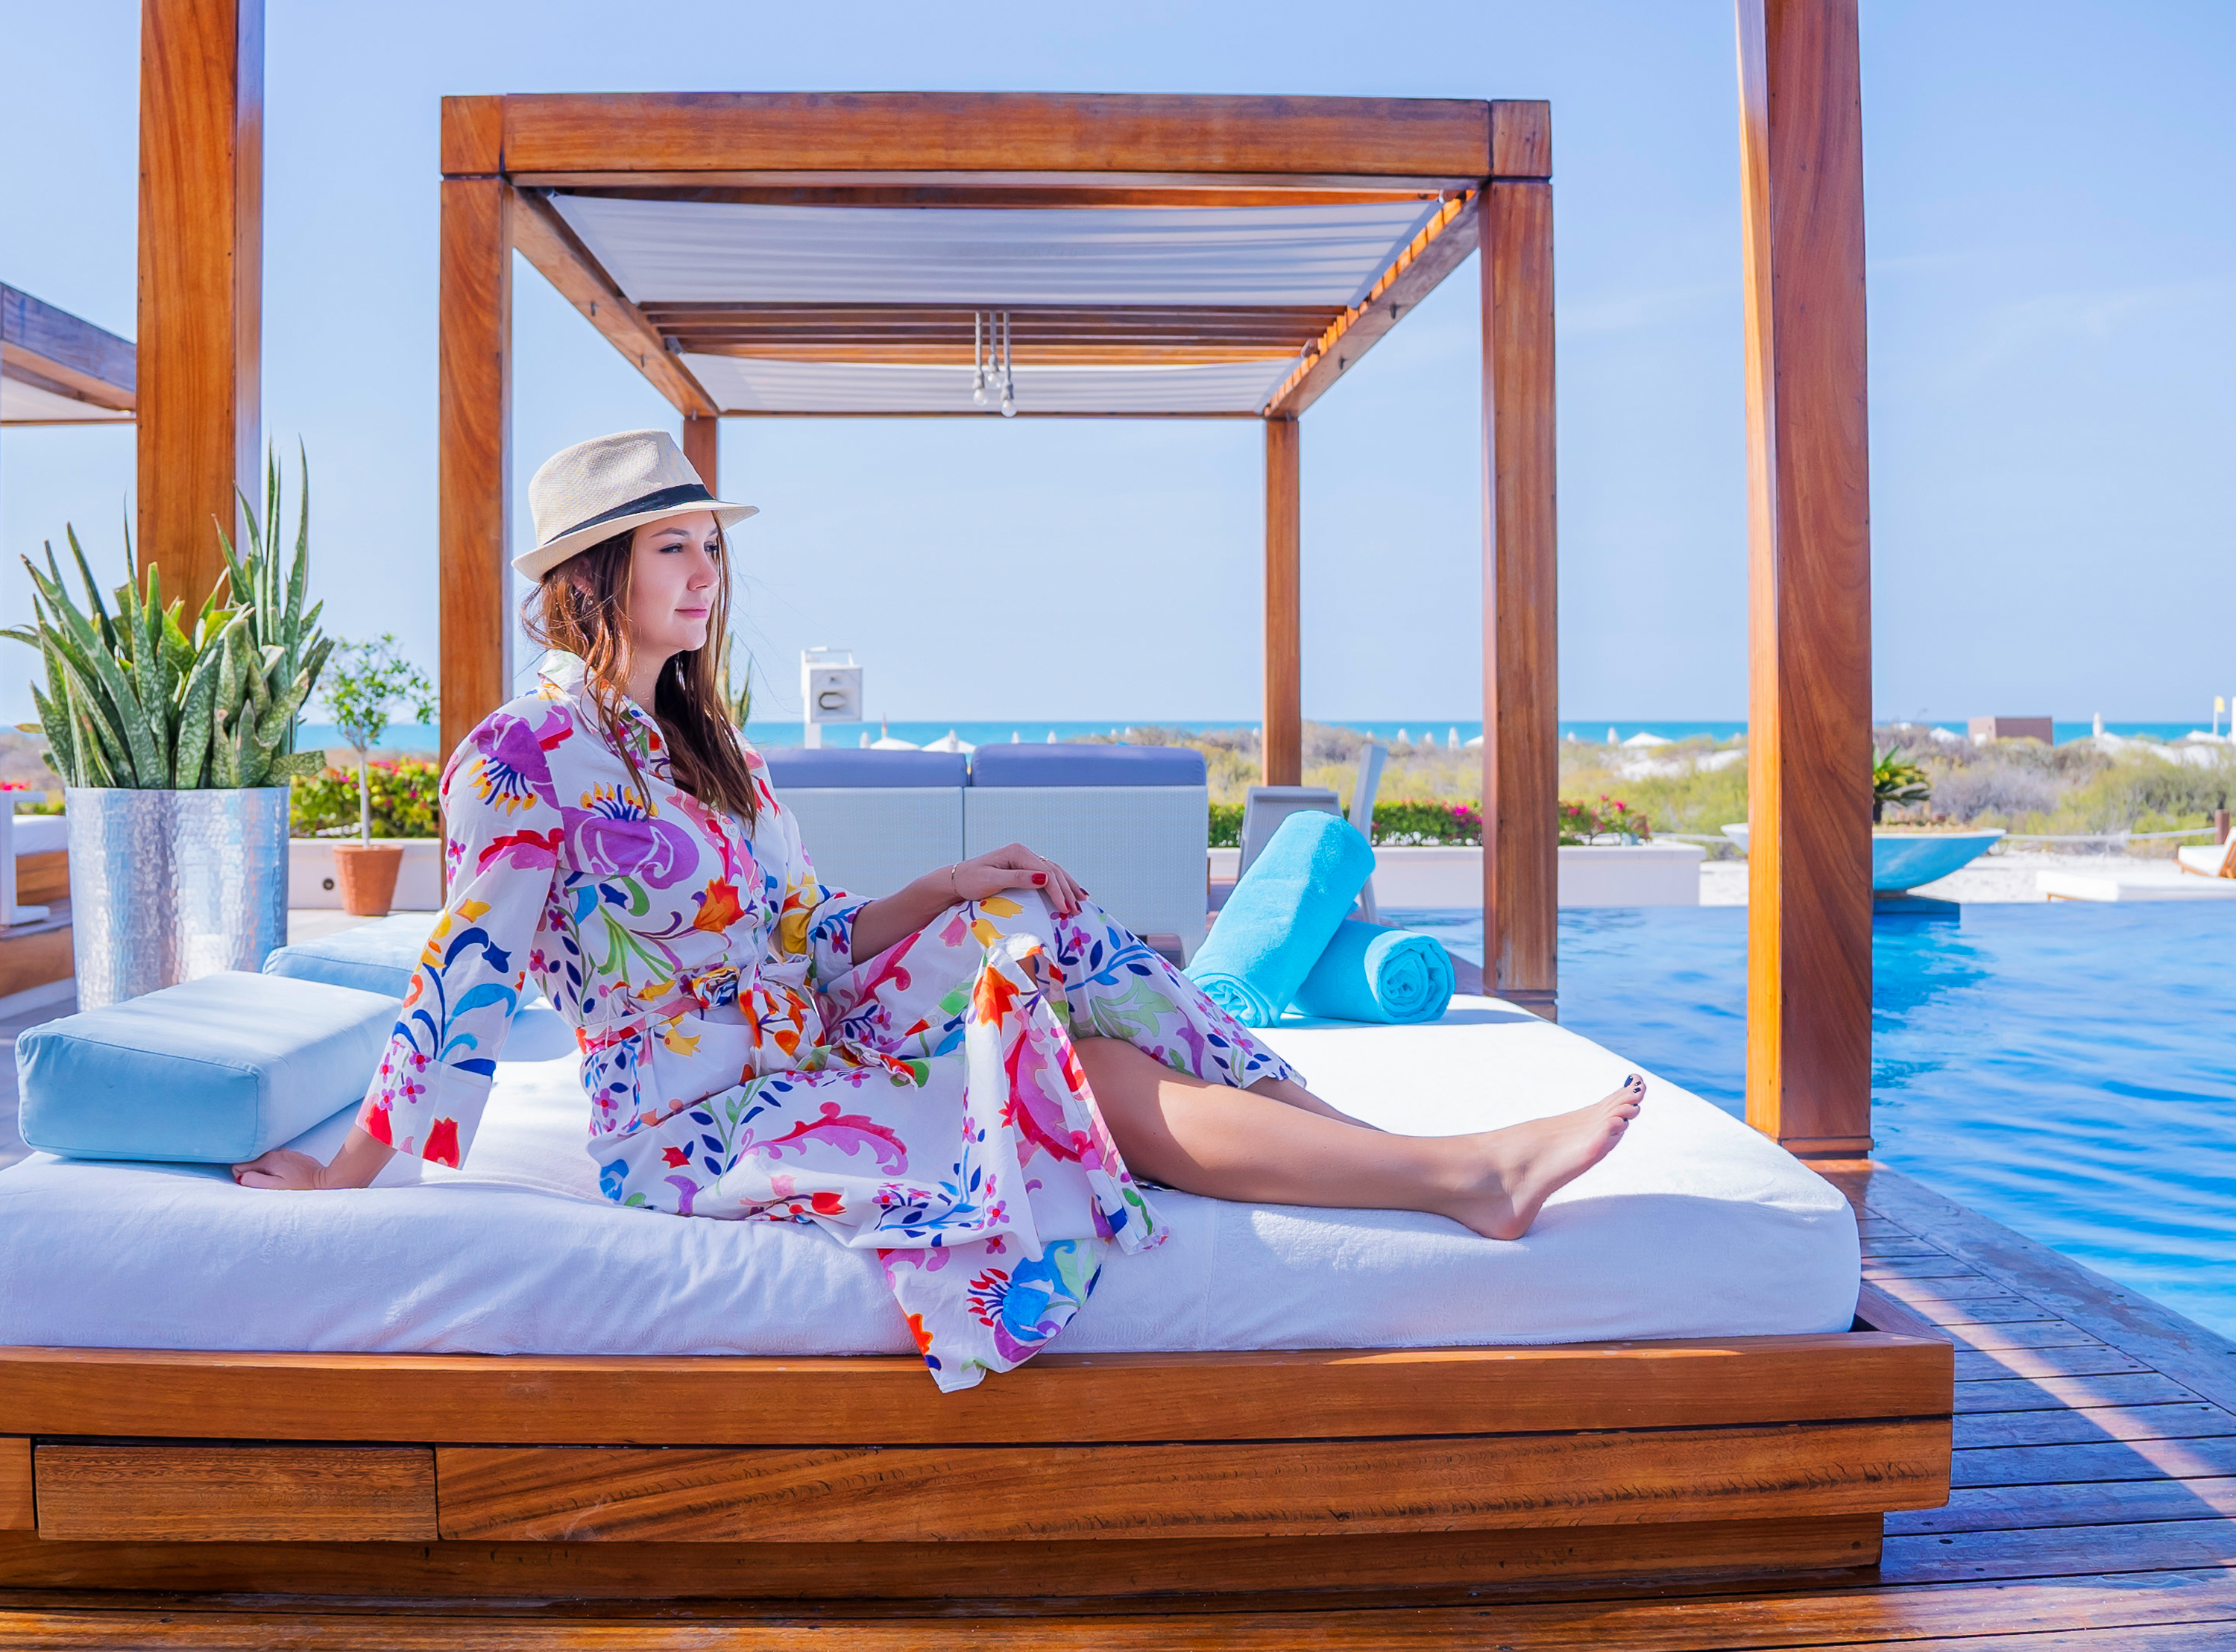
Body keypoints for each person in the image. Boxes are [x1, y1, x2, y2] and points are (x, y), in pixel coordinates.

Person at [236, 430, 1642, 1391]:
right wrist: (352, 1175)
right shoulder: (520, 757)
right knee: (1075, 1074)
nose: (708, 575)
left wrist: (946, 890)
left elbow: (803, 933)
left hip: (809, 1038)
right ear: (591, 577)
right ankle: (1454, 1178)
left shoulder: (714, 752)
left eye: (710, 547)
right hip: (689, 1115)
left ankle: (1401, 1156)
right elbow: (466, 964)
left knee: (1041, 927)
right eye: (675, 549)